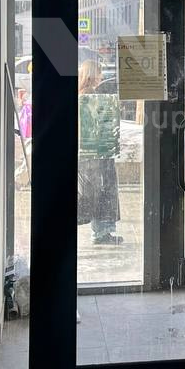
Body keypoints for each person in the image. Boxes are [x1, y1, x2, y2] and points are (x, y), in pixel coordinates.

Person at [77, 60, 123, 245]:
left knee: (96, 190)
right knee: (102, 190)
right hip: (97, 151)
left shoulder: (83, 93)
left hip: (90, 151)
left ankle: (101, 231)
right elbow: (98, 122)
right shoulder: (90, 95)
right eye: (99, 73)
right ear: (91, 75)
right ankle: (101, 232)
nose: (101, 76)